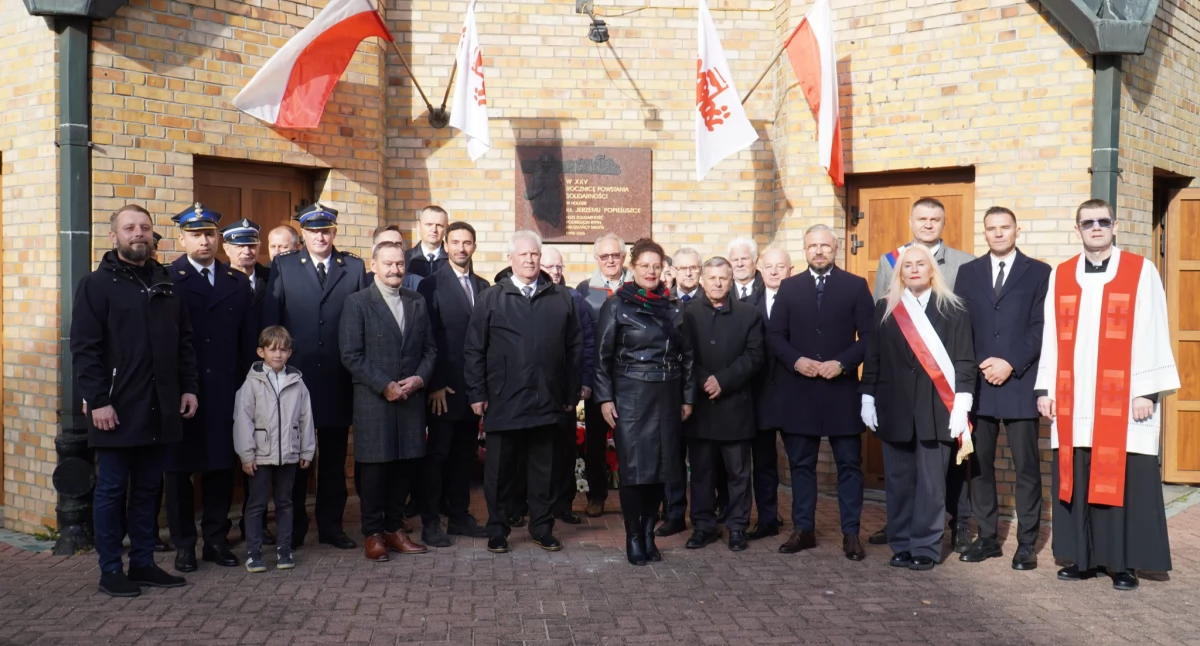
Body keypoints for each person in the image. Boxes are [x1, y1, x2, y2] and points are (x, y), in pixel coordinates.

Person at [1035, 199, 1179, 591]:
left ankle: (1123, 563)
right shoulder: (1062, 274)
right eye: (1087, 223)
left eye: (1102, 222)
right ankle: (1082, 559)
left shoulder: (1139, 270)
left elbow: (1154, 329)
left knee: (1122, 479)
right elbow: (1050, 333)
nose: (1095, 228)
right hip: (1075, 397)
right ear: (1077, 229)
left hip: (1124, 397)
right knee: (1079, 475)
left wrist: (1147, 390)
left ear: (1114, 226)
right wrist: (1046, 387)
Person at [71, 204, 197, 597]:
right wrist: (98, 400)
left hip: (160, 405)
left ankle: (142, 562)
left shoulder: (166, 282)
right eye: (129, 228)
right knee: (111, 490)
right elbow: (85, 349)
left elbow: (184, 342)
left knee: (146, 489)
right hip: (116, 409)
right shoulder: (96, 284)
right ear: (115, 236)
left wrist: (188, 387)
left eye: (144, 227)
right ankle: (111, 569)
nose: (138, 233)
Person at [464, 230, 583, 554]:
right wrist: (477, 393)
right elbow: (474, 348)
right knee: (500, 471)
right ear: (510, 259)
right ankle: (498, 529)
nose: (530, 260)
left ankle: (541, 527)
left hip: (547, 400)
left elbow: (575, 349)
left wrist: (570, 395)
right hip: (505, 400)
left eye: (534, 254)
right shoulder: (492, 297)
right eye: (524, 255)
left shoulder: (560, 298)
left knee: (543, 471)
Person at [860, 244, 976, 571]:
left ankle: (925, 546)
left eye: (920, 264)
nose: (913, 269)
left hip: (937, 408)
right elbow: (874, 357)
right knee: (898, 483)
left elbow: (965, 360)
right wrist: (867, 395)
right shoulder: (886, 308)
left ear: (931, 270)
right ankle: (901, 544)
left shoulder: (953, 308)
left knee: (931, 484)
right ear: (899, 272)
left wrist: (962, 404)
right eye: (907, 265)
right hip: (894, 408)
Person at [263, 202, 369, 550]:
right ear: (303, 234)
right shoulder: (283, 266)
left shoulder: (352, 267)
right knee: (293, 458)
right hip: (296, 379)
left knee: (335, 461)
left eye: (326, 230)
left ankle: (331, 527)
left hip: (338, 379)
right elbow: (272, 323)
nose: (320, 236)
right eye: (313, 231)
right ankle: (292, 527)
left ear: (334, 232)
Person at [765, 226, 874, 559]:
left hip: (841, 391)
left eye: (825, 245)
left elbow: (870, 337)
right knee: (801, 465)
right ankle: (804, 529)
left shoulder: (855, 286)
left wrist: (842, 363)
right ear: (804, 249)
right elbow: (774, 336)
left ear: (836, 247)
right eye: (813, 246)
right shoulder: (789, 287)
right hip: (800, 392)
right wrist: (796, 361)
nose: (819, 251)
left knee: (849, 466)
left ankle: (851, 534)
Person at [954, 207, 1050, 570]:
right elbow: (961, 323)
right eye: (991, 228)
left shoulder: (1039, 272)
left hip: (1020, 382)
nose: (998, 233)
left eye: (1004, 227)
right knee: (980, 466)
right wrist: (980, 365)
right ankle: (988, 538)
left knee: (1026, 466)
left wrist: (1010, 362)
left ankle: (1026, 543)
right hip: (980, 384)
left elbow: (1041, 326)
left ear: (1017, 230)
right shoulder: (968, 272)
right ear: (985, 232)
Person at [164, 203, 255, 572]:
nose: (204, 240)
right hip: (182, 391)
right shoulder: (169, 279)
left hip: (224, 392)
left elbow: (248, 345)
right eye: (196, 234)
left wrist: (246, 391)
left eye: (209, 234)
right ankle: (184, 543)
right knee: (178, 472)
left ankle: (216, 540)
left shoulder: (236, 284)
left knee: (220, 468)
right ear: (182, 237)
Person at [594, 238, 694, 564]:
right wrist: (605, 398)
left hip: (667, 394)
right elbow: (602, 357)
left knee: (660, 471)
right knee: (636, 472)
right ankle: (633, 537)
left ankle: (650, 534)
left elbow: (688, 357)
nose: (651, 271)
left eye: (656, 266)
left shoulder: (675, 307)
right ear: (633, 267)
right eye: (644, 265)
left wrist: (687, 398)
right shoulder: (617, 304)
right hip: (631, 395)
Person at [340, 241, 436, 560]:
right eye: (388, 264)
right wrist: (384, 385)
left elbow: (430, 350)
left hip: (409, 399)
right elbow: (351, 354)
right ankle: (373, 534)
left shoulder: (417, 301)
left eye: (399, 264)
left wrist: (420, 378)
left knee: (404, 466)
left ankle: (395, 530)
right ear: (374, 265)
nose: (395, 270)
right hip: (374, 399)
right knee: (374, 470)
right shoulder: (357, 303)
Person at [415, 221, 491, 547]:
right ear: (446, 245)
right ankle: (431, 521)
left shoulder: (485, 286)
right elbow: (427, 338)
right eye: (455, 242)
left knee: (465, 456)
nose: (461, 248)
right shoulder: (430, 285)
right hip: (442, 390)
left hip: (473, 390)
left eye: (467, 242)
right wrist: (434, 384)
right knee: (437, 457)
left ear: (474, 246)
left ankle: (459, 517)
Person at [682, 257, 763, 552]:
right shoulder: (687, 313)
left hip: (735, 407)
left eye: (723, 278)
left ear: (731, 281)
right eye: (712, 277)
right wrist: (705, 380)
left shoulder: (749, 314)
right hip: (701, 408)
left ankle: (737, 526)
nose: (717, 283)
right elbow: (684, 355)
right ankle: (703, 526)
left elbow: (754, 356)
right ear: (702, 280)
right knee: (701, 472)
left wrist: (724, 381)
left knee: (738, 473)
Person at [233, 326, 315, 572]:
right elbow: (242, 420)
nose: (278, 355)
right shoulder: (251, 384)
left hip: (288, 454)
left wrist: (307, 451)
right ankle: (254, 553)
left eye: (283, 350)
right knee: (256, 505)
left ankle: (284, 550)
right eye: (272, 349)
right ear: (261, 352)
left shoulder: (298, 383)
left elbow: (306, 418)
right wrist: (246, 454)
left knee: (285, 503)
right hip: (260, 456)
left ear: (289, 353)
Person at [222, 218, 276, 547]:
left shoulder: (273, 278)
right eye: (240, 244)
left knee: (261, 452)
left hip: (265, 381)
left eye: (252, 244)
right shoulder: (221, 280)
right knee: (227, 456)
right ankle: (222, 522)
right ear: (225, 247)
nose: (247, 250)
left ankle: (253, 522)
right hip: (227, 379)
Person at [575, 233, 631, 517]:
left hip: (631, 378)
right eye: (604, 256)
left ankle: (633, 497)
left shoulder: (638, 285)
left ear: (624, 257)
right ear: (597, 259)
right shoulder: (584, 289)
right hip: (599, 378)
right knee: (595, 440)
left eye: (615, 255)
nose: (610, 260)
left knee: (630, 440)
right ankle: (596, 496)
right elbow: (581, 336)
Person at [541, 247, 595, 525]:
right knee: (538, 450)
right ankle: (535, 505)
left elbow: (586, 344)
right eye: (550, 266)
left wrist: (585, 381)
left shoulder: (575, 298)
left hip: (566, 389)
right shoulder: (532, 296)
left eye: (559, 267)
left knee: (564, 450)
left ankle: (563, 504)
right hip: (536, 390)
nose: (555, 271)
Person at [657, 247, 705, 536]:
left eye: (693, 268)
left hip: (705, 392)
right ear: (673, 271)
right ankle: (674, 514)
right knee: (672, 458)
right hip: (671, 391)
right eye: (683, 268)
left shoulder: (712, 299)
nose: (688, 273)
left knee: (701, 460)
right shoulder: (662, 302)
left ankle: (704, 515)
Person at [746, 246, 792, 541]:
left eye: (781, 266)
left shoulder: (802, 301)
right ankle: (766, 519)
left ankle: (803, 523)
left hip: (794, 394)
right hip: (759, 395)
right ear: (759, 269)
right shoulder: (746, 304)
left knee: (800, 463)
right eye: (769, 266)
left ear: (790, 270)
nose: (774, 271)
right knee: (762, 463)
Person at [368, 224, 424, 291]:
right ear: (374, 249)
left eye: (398, 244)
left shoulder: (418, 284)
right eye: (387, 244)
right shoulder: (363, 283)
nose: (393, 248)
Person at [406, 205, 449, 278]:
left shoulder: (454, 260)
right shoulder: (405, 258)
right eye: (429, 224)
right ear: (418, 226)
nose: (434, 230)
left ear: (446, 228)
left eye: (439, 225)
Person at [729, 237, 765, 302]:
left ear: (756, 261)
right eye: (735, 260)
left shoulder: (766, 287)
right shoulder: (722, 289)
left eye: (744, 259)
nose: (739, 264)